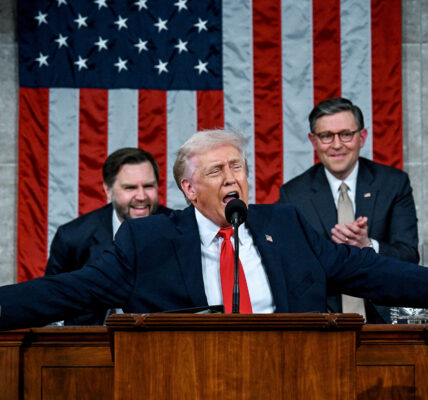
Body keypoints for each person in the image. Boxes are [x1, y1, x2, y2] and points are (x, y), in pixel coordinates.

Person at [0, 129, 428, 331]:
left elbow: (369, 271)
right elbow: (69, 290)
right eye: (215, 171)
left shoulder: (287, 225)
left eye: (236, 167)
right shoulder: (147, 241)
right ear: (189, 189)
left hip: (294, 378)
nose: (231, 179)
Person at [278, 97, 419, 323]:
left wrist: (368, 246)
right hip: (323, 322)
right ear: (313, 141)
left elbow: (409, 256)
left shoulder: (393, 184)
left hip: (384, 322)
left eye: (346, 134)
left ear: (362, 137)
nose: (336, 145)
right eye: (326, 136)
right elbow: (289, 269)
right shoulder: (293, 195)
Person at [45, 147, 172, 325]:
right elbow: (51, 302)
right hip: (91, 338)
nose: (141, 196)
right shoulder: (73, 237)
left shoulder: (180, 230)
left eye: (148, 186)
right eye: (130, 188)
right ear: (108, 190)